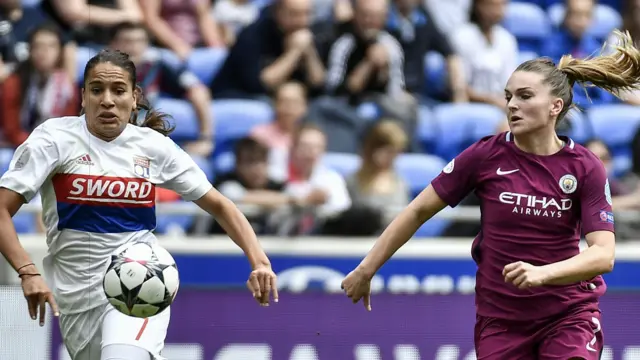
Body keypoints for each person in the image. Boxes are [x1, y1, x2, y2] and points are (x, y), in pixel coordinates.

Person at [341, 30, 640, 359]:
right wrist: (367, 268)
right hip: (502, 321)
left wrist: (543, 274)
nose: (512, 104)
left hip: (568, 316)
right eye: (509, 96)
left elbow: (603, 256)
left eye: (525, 96)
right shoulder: (484, 156)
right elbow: (417, 212)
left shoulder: (585, 167)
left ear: (556, 106)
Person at [0, 49, 278, 360]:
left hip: (141, 282)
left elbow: (219, 204)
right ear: (82, 97)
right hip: (76, 296)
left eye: (118, 90)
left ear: (134, 97)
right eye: (96, 90)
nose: (107, 100)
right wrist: (28, 272)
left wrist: (260, 261)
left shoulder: (153, 147)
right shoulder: (53, 140)